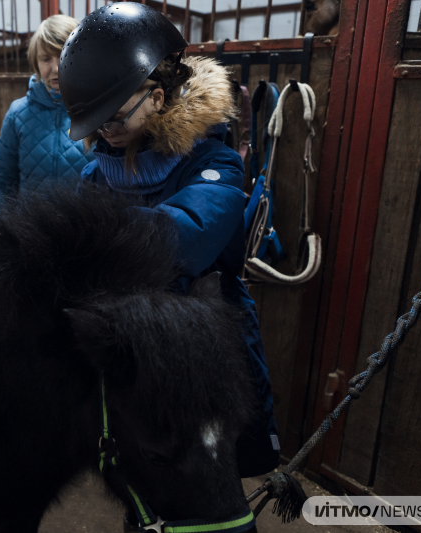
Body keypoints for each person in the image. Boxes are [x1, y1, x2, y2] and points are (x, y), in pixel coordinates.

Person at [59, 0, 280, 489]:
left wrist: (84, 235)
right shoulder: (99, 168)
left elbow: (184, 239)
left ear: (157, 96)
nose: (104, 133)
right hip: (133, 335)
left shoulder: (218, 164)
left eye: (113, 119)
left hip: (204, 337)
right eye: (96, 124)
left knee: (210, 479)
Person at [0, 15, 94, 207]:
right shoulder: (17, 114)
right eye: (46, 59)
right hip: (31, 231)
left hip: (85, 230)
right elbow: (3, 181)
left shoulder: (98, 110)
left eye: (63, 55)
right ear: (36, 64)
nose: (55, 68)